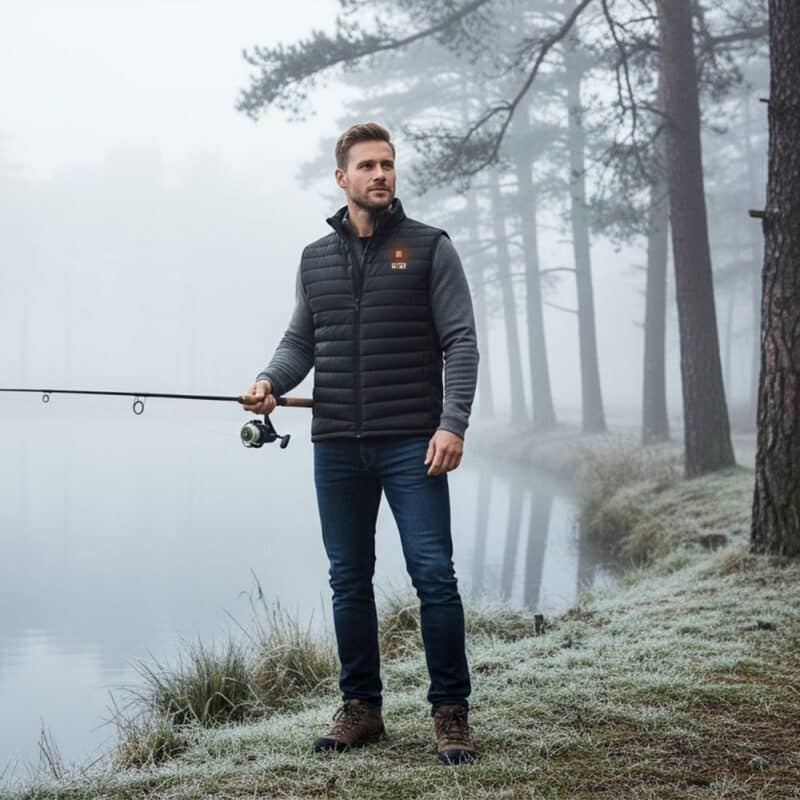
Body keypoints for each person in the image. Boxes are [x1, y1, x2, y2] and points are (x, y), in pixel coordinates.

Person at [242, 122, 480, 765]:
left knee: (434, 576)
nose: (380, 174)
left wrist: (453, 423)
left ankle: (450, 712)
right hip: (337, 446)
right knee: (348, 580)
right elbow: (301, 342)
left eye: (388, 164)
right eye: (368, 165)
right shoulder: (314, 258)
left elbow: (461, 341)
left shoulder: (430, 248)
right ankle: (361, 708)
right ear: (341, 177)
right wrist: (269, 382)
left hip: (413, 445)